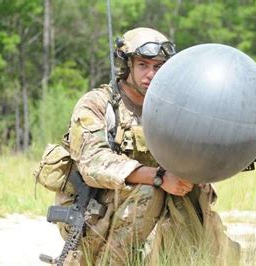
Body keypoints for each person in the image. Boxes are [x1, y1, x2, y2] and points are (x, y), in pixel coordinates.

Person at [54, 27, 239, 265]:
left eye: (158, 66)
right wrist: (159, 177)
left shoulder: (175, 108)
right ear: (126, 66)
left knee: (196, 195)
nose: (151, 74)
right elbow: (93, 163)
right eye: (143, 65)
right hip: (97, 214)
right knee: (148, 192)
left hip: (159, 206)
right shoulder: (99, 105)